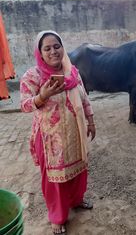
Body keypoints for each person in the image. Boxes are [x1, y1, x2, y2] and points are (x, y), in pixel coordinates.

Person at [20, 30, 96, 234]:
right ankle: (57, 217)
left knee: (78, 169)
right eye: (47, 48)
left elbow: (83, 97)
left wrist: (90, 120)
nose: (53, 51)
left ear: (63, 48)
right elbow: (24, 105)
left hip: (75, 131)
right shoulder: (32, 76)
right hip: (49, 138)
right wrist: (41, 96)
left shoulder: (72, 72)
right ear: (40, 52)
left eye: (57, 46)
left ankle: (76, 200)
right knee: (55, 179)